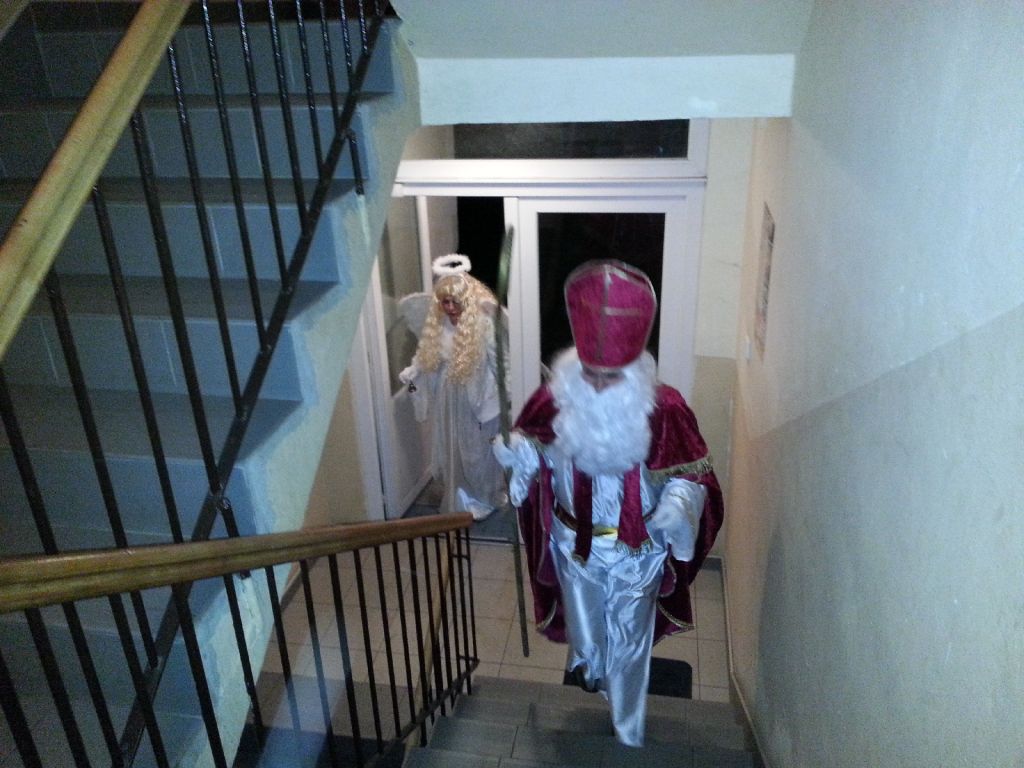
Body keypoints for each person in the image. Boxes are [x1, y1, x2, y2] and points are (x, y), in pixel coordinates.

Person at [492, 259, 723, 747]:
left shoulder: (665, 409)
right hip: (571, 546)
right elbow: (536, 447)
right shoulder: (556, 398)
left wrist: (678, 506)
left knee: (630, 641)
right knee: (586, 633)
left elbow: (692, 476)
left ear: (633, 368)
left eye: (610, 376)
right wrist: (520, 457)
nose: (597, 385)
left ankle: (627, 728)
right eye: (590, 373)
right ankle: (592, 667)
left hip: (637, 552)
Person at [399, 254, 507, 521]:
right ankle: (458, 497)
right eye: (444, 301)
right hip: (448, 397)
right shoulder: (437, 325)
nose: (449, 307)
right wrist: (413, 373)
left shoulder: (483, 324)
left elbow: (501, 362)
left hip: (478, 397)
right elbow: (425, 355)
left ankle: (484, 496)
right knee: (452, 448)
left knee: (478, 451)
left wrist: (510, 396)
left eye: (454, 301)